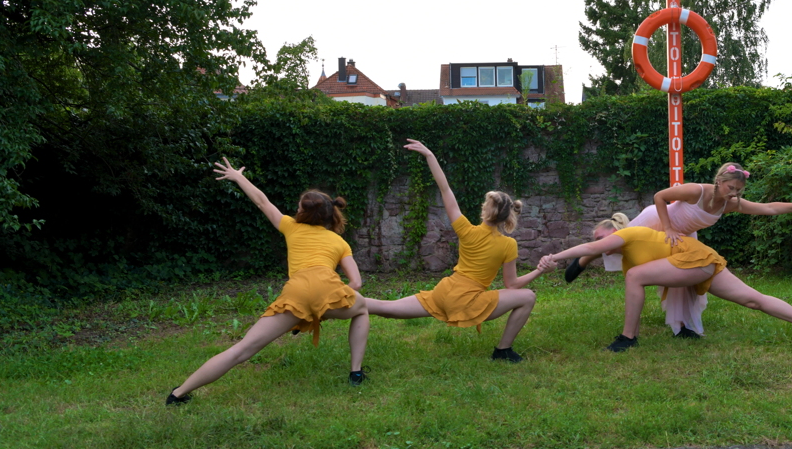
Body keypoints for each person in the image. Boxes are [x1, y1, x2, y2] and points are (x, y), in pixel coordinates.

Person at [167, 159, 370, 404]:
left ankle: (178, 394)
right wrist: (324, 305)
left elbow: (262, 201)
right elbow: (356, 283)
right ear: (330, 214)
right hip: (329, 289)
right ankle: (356, 372)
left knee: (242, 350)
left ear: (302, 212)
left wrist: (238, 176)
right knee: (361, 311)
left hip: (295, 293)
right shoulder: (340, 242)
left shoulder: (291, 226)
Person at [565, 163, 792, 338]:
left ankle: (681, 327)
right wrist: (669, 228)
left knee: (682, 284)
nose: (733, 193)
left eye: (738, 189)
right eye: (730, 187)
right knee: (617, 244)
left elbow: (767, 208)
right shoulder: (697, 190)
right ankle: (584, 259)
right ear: (719, 181)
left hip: (682, 237)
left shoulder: (729, 205)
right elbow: (660, 196)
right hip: (659, 221)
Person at [363, 140, 545, 362]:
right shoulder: (508, 245)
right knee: (527, 297)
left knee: (386, 307)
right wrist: (539, 270)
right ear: (508, 217)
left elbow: (445, 189)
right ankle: (503, 351)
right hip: (469, 301)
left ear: (485, 211)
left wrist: (430, 155)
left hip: (445, 292)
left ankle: (342, 304)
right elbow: (513, 285)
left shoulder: (466, 230)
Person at [539, 221, 792, 352]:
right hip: (699, 260)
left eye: (601, 235)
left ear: (614, 230)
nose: (600, 242)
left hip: (696, 257)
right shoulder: (630, 261)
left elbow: (591, 247)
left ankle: (627, 339)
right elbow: (603, 260)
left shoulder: (628, 235)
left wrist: (554, 257)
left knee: (635, 277)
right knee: (753, 299)